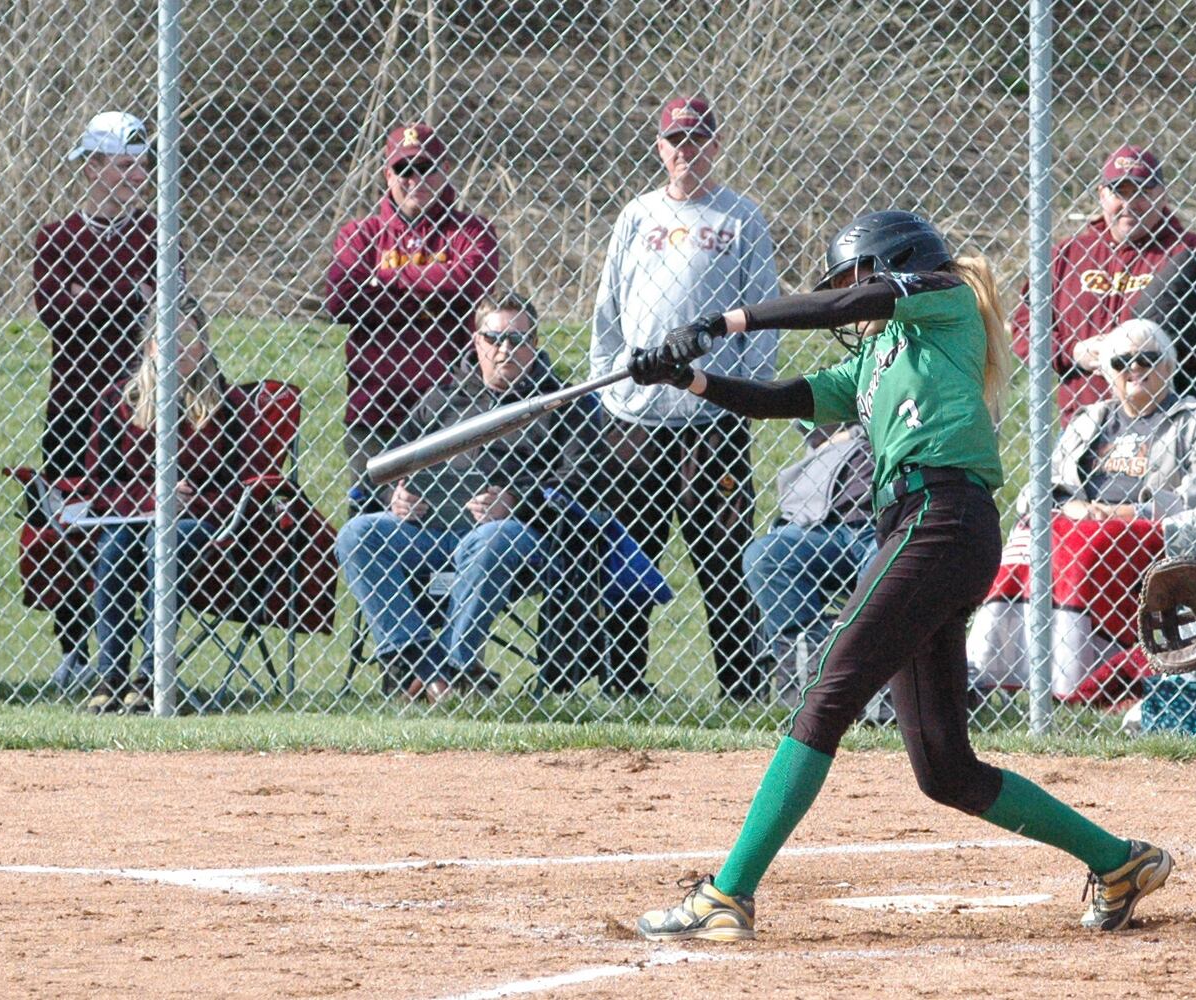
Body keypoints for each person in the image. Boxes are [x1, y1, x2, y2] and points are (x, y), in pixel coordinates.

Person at [622, 210, 1172, 941]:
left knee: (826, 693)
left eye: (855, 276)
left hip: (937, 517)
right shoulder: (878, 355)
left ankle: (728, 895)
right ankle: (1117, 862)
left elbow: (846, 305)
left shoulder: (943, 300)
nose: (849, 296)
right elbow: (785, 397)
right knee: (945, 769)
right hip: (924, 530)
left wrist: (720, 321)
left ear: (890, 266)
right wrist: (689, 377)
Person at [589, 96, 781, 701]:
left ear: (716, 146)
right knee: (632, 553)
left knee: (721, 552)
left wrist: (746, 394)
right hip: (638, 417)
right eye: (675, 140)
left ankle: (741, 688)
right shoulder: (637, 215)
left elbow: (765, 314)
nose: (685, 152)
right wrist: (612, 382)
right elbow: (607, 309)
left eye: (697, 140)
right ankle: (624, 684)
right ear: (659, 148)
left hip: (712, 412)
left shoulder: (740, 218)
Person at [338, 293, 599, 702]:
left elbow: (579, 478)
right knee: (358, 534)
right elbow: (387, 465)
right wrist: (396, 495)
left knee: (492, 539)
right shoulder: (441, 400)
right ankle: (422, 662)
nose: (505, 349)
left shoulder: (562, 404)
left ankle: (452, 668)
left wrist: (515, 500)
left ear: (536, 345)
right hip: (431, 531)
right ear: (477, 341)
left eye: (518, 340)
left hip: (516, 537)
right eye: (494, 338)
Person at [970, 318, 1196, 703]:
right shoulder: (1090, 420)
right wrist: (1070, 506)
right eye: (1121, 361)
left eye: (1147, 359)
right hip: (1082, 522)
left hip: (1148, 530)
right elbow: (1035, 489)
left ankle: (1074, 678)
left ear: (1169, 365)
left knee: (1086, 543)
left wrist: (1125, 514)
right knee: (1026, 538)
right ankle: (991, 667)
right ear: (1108, 374)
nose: (1134, 369)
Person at [33, 110, 161, 688]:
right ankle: (75, 651)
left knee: (134, 525)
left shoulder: (158, 233)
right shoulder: (57, 236)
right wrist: (124, 296)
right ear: (91, 168)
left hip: (141, 409)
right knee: (72, 526)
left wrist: (97, 296)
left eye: (142, 164)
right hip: (74, 405)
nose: (137, 174)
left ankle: (133, 662)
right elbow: (58, 312)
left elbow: (163, 307)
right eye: (121, 164)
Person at [1013, 145, 1196, 428]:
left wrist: (1157, 355)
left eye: (1142, 192)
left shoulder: (1191, 254)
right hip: (1084, 421)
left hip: (1165, 426)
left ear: (1161, 196)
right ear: (1102, 195)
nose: (1130, 204)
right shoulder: (1069, 254)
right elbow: (1023, 325)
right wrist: (1073, 352)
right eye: (1119, 192)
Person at [76, 306, 246, 713]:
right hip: (134, 517)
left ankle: (152, 677)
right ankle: (111, 676)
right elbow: (98, 484)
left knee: (163, 541)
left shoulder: (227, 404)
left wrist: (192, 501)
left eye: (189, 339)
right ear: (151, 345)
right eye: (168, 338)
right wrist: (154, 499)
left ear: (204, 346)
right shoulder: (119, 402)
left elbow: (245, 486)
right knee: (115, 546)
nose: (179, 348)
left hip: (203, 523)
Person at [322, 122, 500, 499]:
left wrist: (382, 281)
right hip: (376, 407)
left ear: (445, 169)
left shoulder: (472, 230)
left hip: (451, 409)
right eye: (403, 169)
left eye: (426, 167)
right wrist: (438, 292)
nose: (414, 178)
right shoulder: (361, 233)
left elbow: (472, 280)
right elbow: (339, 298)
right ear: (388, 174)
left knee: (446, 517)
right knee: (372, 517)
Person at [741, 422, 878, 700]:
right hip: (818, 526)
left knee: (887, 568)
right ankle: (810, 678)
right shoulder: (852, 382)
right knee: (766, 556)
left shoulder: (943, 387)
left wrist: (855, 433)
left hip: (889, 526)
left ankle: (877, 688)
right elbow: (815, 428)